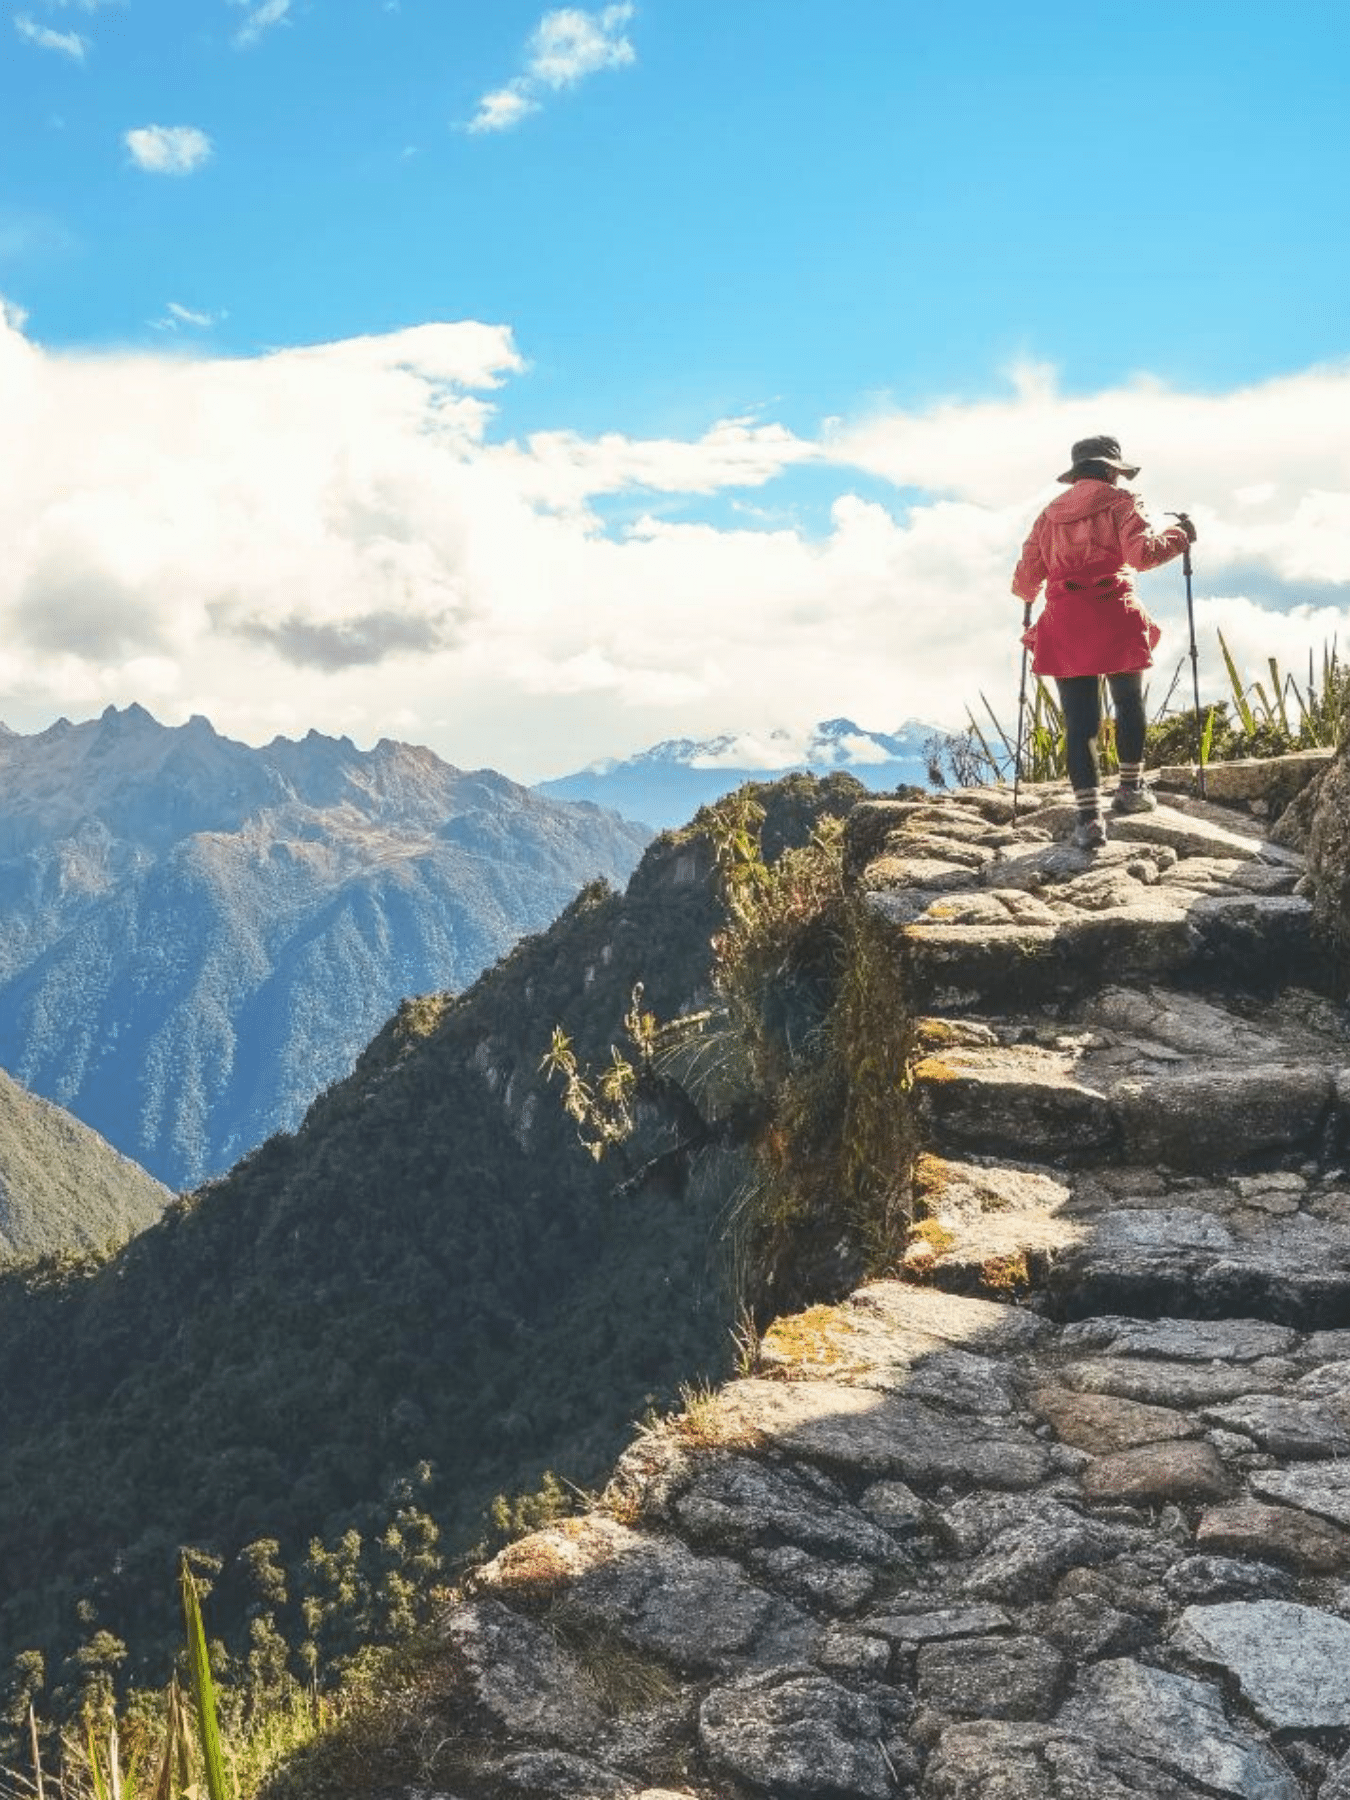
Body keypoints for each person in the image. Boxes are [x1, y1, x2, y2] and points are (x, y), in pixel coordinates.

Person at [1011, 434, 1196, 849]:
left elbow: (1026, 578)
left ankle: (1089, 819)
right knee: (1128, 702)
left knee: (1080, 724)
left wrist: (1028, 598)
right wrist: (1180, 535)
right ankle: (1130, 790)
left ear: (1076, 474)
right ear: (1113, 470)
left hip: (1066, 621)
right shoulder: (1121, 502)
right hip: (1115, 614)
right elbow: (1143, 556)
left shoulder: (1048, 515)